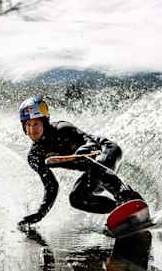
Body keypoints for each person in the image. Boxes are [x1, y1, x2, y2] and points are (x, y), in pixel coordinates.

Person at [18, 94, 142, 227]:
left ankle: (128, 198)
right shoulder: (35, 157)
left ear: (45, 122)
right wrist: (40, 213)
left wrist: (84, 150)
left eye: (36, 123)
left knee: (95, 166)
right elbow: (51, 186)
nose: (32, 130)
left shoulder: (62, 129)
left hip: (107, 152)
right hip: (93, 170)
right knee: (76, 199)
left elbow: (92, 143)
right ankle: (119, 210)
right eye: (28, 125)